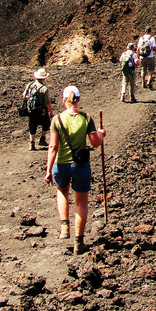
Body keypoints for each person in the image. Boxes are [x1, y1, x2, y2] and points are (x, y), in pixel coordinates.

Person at [45, 85, 105, 255]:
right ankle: (79, 242)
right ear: (78, 99)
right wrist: (101, 133)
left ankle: (65, 227)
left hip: (60, 165)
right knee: (81, 203)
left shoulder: (56, 119)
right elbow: (95, 143)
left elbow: (53, 147)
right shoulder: (86, 118)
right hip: (80, 166)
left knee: (62, 191)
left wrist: (48, 170)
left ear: (64, 100)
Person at [22, 68, 54, 150]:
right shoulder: (44, 88)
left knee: (32, 126)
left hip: (31, 110)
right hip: (41, 110)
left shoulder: (30, 85)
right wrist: (51, 112)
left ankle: (32, 144)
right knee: (46, 123)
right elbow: (47, 102)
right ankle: (42, 139)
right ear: (44, 78)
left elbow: (24, 96)